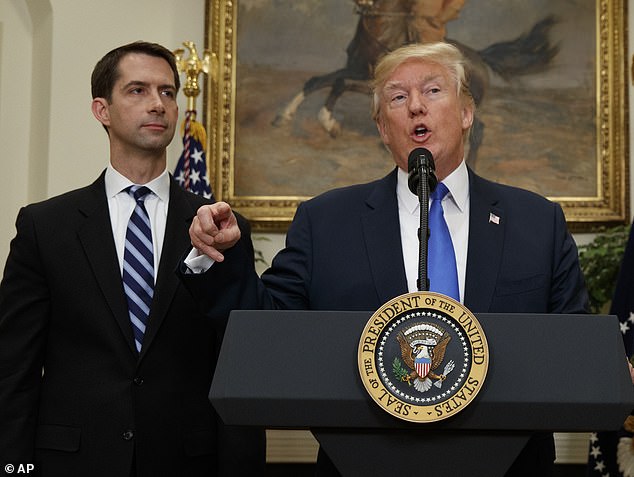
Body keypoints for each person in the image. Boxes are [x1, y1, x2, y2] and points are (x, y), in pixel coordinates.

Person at [181, 42, 589, 476]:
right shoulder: (325, 222)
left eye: (433, 91)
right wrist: (220, 257)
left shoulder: (536, 221)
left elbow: (573, 346)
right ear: (381, 126)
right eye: (397, 97)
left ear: (467, 112)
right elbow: (270, 331)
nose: (416, 106)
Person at [0, 41, 264, 476]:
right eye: (138, 90)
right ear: (102, 110)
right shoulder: (45, 227)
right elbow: (15, 368)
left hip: (186, 461)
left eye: (167, 92)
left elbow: (239, 365)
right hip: (72, 461)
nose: (158, 104)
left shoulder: (218, 225)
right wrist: (14, 468)